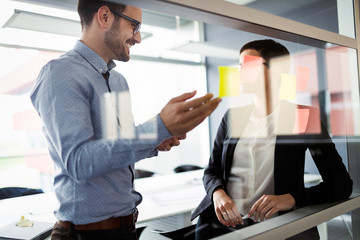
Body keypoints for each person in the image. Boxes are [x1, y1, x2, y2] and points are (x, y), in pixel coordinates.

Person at [30, 1, 221, 239]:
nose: (138, 38)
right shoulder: (60, 74)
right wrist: (158, 128)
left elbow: (113, 149)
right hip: (84, 234)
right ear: (105, 16)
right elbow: (79, 162)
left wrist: (157, 139)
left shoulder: (118, 81)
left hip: (126, 227)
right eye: (134, 25)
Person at [191, 39, 353, 240]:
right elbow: (211, 171)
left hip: (278, 228)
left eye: (247, 65)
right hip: (222, 227)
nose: (240, 73)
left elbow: (341, 184)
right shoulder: (232, 117)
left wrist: (291, 198)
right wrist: (217, 193)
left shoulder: (303, 117)